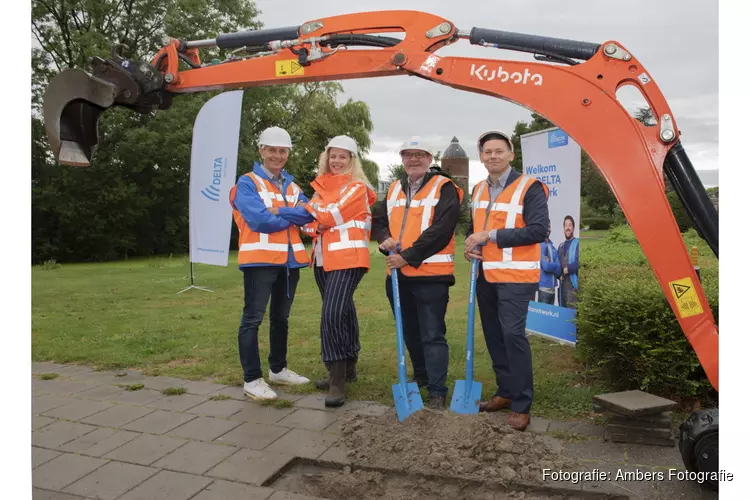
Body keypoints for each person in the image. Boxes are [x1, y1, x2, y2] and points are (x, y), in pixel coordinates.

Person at [276, 135, 377, 407]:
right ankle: (349, 366)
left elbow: (325, 216)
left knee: (331, 313)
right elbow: (310, 224)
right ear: (326, 158)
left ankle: (336, 381)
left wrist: (301, 213)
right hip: (322, 260)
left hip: (349, 258)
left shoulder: (357, 188)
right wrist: (312, 216)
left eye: (343, 156)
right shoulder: (322, 188)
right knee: (343, 311)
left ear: (352, 161)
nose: (337, 161)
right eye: (333, 156)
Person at [464, 130, 549, 431]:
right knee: (494, 336)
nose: (493, 156)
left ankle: (522, 403)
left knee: (512, 335)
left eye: (499, 151)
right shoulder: (477, 190)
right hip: (486, 274)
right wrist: (471, 244)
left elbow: (540, 230)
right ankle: (505, 391)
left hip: (517, 275)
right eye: (487, 152)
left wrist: (490, 237)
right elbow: (474, 227)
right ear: (482, 157)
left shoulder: (530, 187)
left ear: (511, 155)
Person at [372, 136, 463, 410]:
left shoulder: (444, 187)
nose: (414, 159)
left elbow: (442, 229)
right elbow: (378, 220)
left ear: (429, 158)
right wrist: (384, 238)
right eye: (408, 154)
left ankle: (437, 390)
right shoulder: (393, 189)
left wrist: (407, 257)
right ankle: (421, 377)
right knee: (410, 331)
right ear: (402, 158)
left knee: (432, 333)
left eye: (420, 154)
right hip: (398, 277)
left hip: (431, 275)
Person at [228, 126, 313, 401]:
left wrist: (280, 211)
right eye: (272, 150)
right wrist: (291, 215)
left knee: (281, 318)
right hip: (260, 262)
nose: (277, 155)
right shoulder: (247, 183)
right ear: (261, 150)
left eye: (282, 151)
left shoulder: (292, 185)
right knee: (252, 319)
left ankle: (278, 369)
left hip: (289, 263)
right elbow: (258, 220)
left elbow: (310, 214)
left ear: (288, 153)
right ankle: (252, 379)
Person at [558, 215, 579, 308]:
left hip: (573, 287)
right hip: (562, 287)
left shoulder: (578, 243)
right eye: (566, 225)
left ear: (573, 228)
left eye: (570, 225)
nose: (568, 228)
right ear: (563, 228)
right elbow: (557, 265)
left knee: (572, 316)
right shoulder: (561, 246)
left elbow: (579, 263)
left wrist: (567, 269)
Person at [538, 222, 561, 305]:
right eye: (546, 226)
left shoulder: (553, 247)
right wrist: (555, 264)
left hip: (553, 290)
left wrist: (552, 264)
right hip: (543, 289)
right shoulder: (540, 245)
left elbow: (559, 270)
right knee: (542, 318)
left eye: (549, 226)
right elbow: (546, 266)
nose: (548, 229)